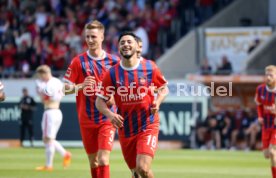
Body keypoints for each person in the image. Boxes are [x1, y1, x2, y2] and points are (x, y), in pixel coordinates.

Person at [96, 31, 168, 178]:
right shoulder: (112, 74)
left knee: (143, 168)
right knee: (136, 173)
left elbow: (164, 88)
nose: (126, 45)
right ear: (119, 48)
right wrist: (110, 114)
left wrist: (157, 102)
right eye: (122, 43)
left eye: (129, 42)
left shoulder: (150, 67)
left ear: (137, 46)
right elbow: (99, 101)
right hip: (126, 128)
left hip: (147, 124)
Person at [63, 20, 119, 178]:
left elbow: (124, 87)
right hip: (86, 119)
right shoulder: (77, 62)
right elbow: (64, 89)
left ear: (102, 37)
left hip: (106, 118)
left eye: (93, 36)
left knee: (103, 159)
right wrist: (80, 86)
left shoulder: (114, 62)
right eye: (87, 37)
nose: (90, 40)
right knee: (93, 161)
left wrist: (115, 97)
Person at [35, 65, 71, 171]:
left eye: (41, 75)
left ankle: (49, 165)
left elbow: (46, 99)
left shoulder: (48, 84)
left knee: (47, 139)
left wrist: (40, 92)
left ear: (44, 74)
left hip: (50, 111)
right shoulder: (57, 81)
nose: (40, 78)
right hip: (57, 111)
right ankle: (65, 154)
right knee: (50, 138)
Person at [255, 65, 276, 178]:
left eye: (271, 75)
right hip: (266, 125)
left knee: (273, 153)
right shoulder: (260, 89)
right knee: (267, 155)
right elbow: (259, 104)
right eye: (267, 75)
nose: (268, 77)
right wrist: (259, 116)